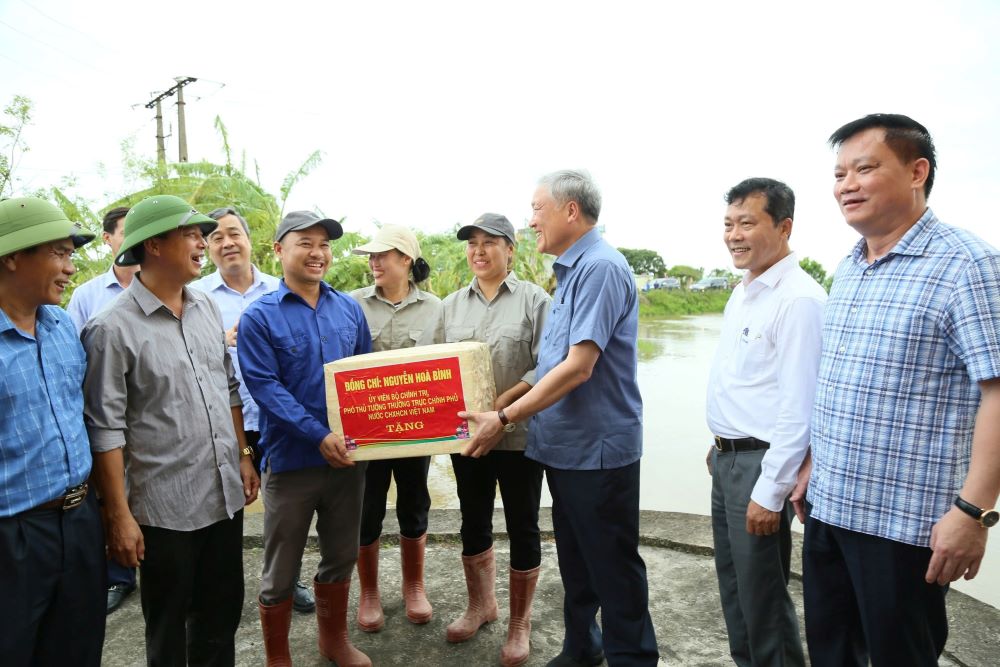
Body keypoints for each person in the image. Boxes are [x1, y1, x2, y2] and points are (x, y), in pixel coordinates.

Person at [803, 114, 1000, 666]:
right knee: (831, 654)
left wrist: (973, 511)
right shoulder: (850, 266)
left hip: (904, 524)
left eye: (864, 169)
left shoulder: (967, 264)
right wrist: (814, 464)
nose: (846, 184)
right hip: (831, 509)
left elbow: (997, 391)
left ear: (917, 171)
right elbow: (845, 383)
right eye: (839, 173)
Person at [461, 170, 659, 666]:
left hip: (597, 451)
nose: (531, 221)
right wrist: (494, 409)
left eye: (536, 209)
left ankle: (631, 658)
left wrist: (502, 418)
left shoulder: (601, 269)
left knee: (612, 566)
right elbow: (547, 366)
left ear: (571, 211)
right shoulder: (570, 275)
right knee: (577, 563)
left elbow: (578, 368)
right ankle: (582, 649)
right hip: (564, 449)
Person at [82, 194, 260, 665]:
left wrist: (243, 456)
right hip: (163, 512)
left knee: (221, 620)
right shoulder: (111, 329)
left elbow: (228, 389)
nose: (204, 243)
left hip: (222, 497)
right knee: (168, 630)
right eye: (192, 234)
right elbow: (106, 430)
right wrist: (117, 516)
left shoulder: (203, 306)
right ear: (154, 245)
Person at [238, 210, 373, 666]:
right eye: (305, 243)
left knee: (339, 556)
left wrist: (368, 436)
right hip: (293, 462)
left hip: (348, 463)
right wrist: (319, 436)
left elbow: (366, 377)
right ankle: (279, 657)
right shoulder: (259, 317)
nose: (318, 254)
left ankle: (333, 641)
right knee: (280, 569)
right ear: (278, 250)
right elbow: (266, 388)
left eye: (324, 245)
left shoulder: (349, 308)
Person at [705, 178, 824, 666]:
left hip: (761, 466)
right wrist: (720, 443)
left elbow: (800, 407)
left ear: (784, 226)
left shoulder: (799, 300)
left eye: (747, 223)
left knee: (764, 600)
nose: (734, 235)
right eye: (729, 224)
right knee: (735, 590)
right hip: (729, 458)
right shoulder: (745, 291)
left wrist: (770, 489)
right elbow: (746, 382)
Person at [190, 207, 315, 614]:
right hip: (231, 419)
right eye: (216, 238)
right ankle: (222, 586)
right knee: (228, 500)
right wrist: (220, 341)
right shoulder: (199, 299)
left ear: (249, 240)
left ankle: (287, 579)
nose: (227, 243)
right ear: (207, 248)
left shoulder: (282, 290)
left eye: (233, 234)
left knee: (289, 510)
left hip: (284, 419)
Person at [442, 213, 551, 666]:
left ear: (511, 250)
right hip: (467, 438)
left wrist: (501, 410)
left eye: (490, 243)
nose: (479, 251)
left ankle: (518, 623)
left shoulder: (535, 301)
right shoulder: (449, 306)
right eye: (472, 244)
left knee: (524, 525)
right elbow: (433, 370)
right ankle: (481, 606)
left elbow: (547, 366)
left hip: (520, 435)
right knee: (472, 521)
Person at [0, 197, 105, 666]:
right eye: (59, 253)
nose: (70, 266)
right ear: (13, 257)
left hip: (80, 521)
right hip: (13, 536)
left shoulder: (62, 326)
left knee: (78, 649)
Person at [348, 224, 443, 631]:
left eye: (381, 255)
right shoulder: (352, 304)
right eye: (370, 256)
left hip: (416, 431)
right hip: (367, 433)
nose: (373, 262)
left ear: (406, 260)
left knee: (414, 503)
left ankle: (414, 587)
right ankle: (368, 594)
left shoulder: (436, 309)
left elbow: (444, 370)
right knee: (366, 509)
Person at [66, 205, 141, 614]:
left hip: (150, 413)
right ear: (110, 240)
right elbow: (75, 356)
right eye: (124, 233)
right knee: (112, 494)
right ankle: (119, 575)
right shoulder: (87, 296)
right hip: (106, 412)